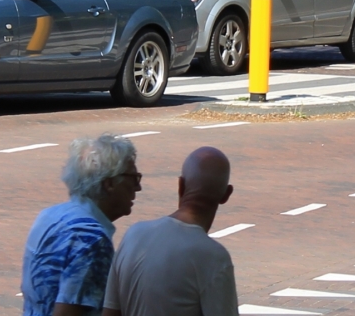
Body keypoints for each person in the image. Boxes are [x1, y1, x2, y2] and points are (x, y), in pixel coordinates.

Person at [102, 147, 238, 316]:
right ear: (226, 195)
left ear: (181, 186)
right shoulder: (214, 257)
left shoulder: (133, 235)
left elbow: (109, 311)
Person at [22, 134, 143, 316]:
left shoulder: (49, 216)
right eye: (134, 178)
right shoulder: (91, 239)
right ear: (110, 183)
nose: (138, 188)